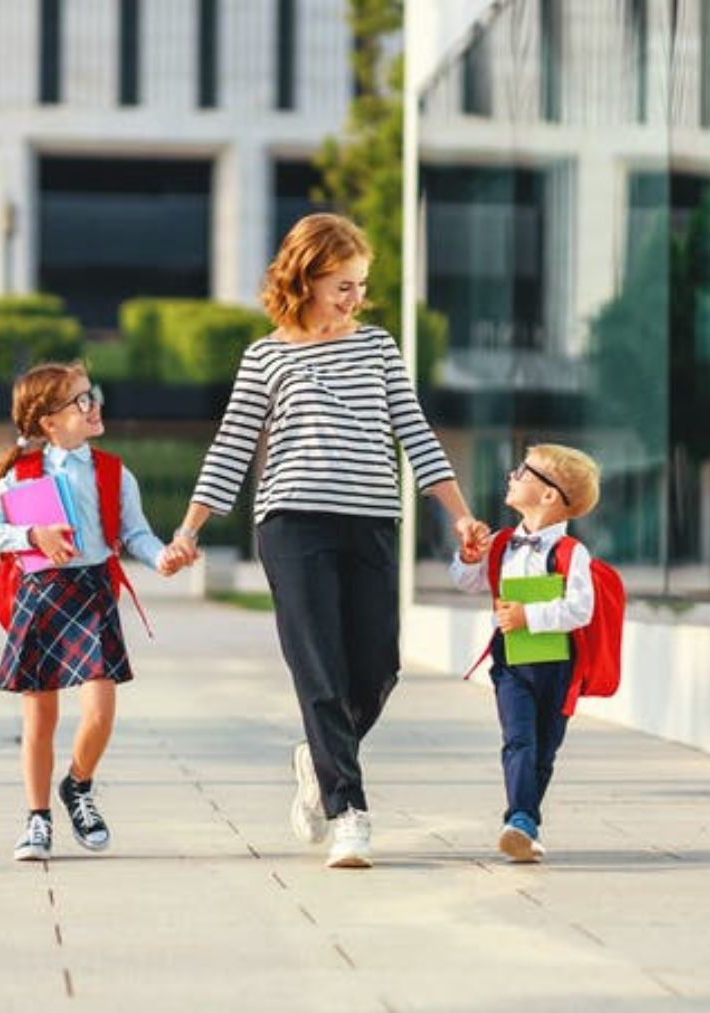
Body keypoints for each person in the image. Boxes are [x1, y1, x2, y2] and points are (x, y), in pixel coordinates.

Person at [163, 213, 487, 869]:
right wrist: (189, 529)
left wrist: (460, 515)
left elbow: (416, 433)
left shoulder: (378, 347)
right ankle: (349, 812)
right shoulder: (266, 356)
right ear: (307, 279)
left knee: (377, 669)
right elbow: (230, 448)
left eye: (361, 285)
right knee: (319, 670)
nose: (355, 298)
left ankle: (316, 758)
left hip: (370, 520)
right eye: (343, 285)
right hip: (292, 523)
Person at [0, 362, 183, 862]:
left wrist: (162, 557)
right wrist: (32, 536)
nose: (95, 407)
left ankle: (79, 785)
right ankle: (37, 819)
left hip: (93, 595)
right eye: (82, 401)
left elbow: (134, 533)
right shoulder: (21, 476)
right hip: (40, 596)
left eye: (94, 396)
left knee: (100, 713)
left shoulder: (113, 471)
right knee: (39, 719)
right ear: (48, 421)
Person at [451, 443, 601, 863]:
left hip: (558, 667)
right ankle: (519, 819)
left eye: (523, 471)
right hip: (511, 663)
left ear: (549, 495)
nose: (511, 475)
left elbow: (581, 608)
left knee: (545, 748)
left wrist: (528, 616)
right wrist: (468, 557)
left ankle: (525, 823)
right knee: (518, 739)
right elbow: (467, 581)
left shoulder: (572, 554)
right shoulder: (500, 544)